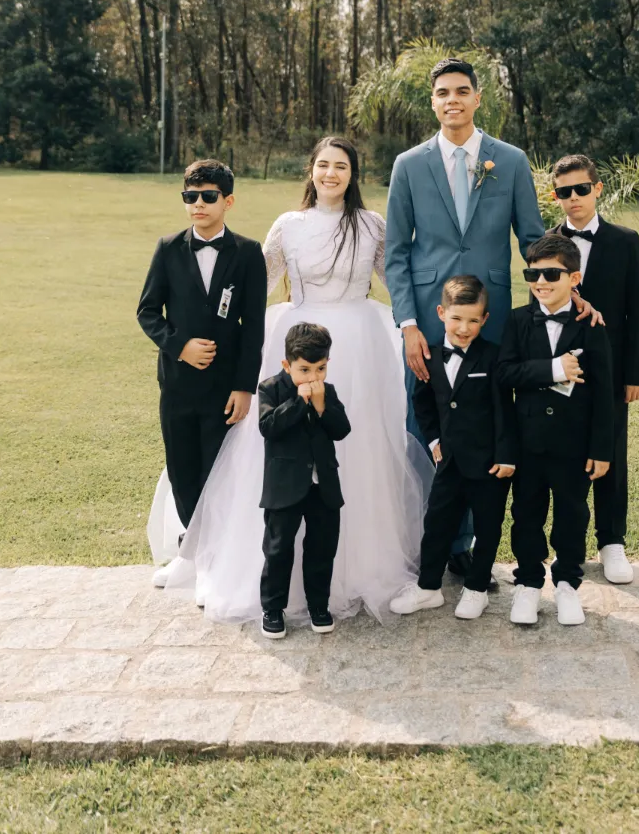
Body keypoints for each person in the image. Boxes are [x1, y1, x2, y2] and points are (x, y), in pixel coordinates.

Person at [149, 136, 432, 624]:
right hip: (295, 334)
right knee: (277, 444)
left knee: (356, 446)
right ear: (311, 170)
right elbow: (251, 283)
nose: (330, 174)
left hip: (359, 342)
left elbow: (397, 277)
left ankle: (358, 560)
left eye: (340, 166)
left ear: (353, 173)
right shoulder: (289, 225)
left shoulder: (370, 225)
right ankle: (232, 559)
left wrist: (421, 320)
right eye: (323, 165)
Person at [385, 57, 544, 582]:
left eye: (461, 91)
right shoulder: (409, 165)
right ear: (432, 102)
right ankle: (438, 535)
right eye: (442, 93)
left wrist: (564, 289)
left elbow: (533, 237)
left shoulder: (511, 161)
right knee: (429, 422)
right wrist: (408, 323)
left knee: (487, 423)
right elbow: (396, 253)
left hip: (490, 318)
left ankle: (475, 544)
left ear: (478, 98)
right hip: (430, 322)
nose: (451, 100)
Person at [138, 158, 267, 587]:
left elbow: (254, 328)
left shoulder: (248, 253)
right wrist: (179, 346)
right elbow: (147, 312)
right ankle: (189, 555)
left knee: (218, 470)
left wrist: (244, 387)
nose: (198, 204)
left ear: (227, 201)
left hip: (224, 388)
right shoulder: (168, 247)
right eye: (190, 197)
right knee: (182, 468)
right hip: (176, 385)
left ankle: (217, 559)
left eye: (208, 197)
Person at [497, 233, 614, 627]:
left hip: (574, 444)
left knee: (572, 515)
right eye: (533, 273)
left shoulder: (591, 324)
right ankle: (528, 584)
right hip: (528, 443)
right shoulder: (516, 320)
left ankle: (567, 584)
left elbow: (603, 391)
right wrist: (551, 370)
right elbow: (504, 374)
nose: (541, 282)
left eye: (551, 273)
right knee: (526, 514)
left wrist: (601, 448)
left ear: (574, 278)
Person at [390, 276, 516, 622]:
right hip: (448, 464)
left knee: (488, 527)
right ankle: (428, 587)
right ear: (442, 313)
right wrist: (433, 443)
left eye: (474, 320)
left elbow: (506, 410)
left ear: (485, 320)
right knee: (437, 523)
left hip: (489, 464)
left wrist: (506, 456)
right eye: (457, 318)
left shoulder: (492, 357)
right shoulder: (429, 355)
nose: (464, 328)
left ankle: (476, 590)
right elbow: (423, 404)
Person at [549, 154, 639, 585]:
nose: (573, 199)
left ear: (597, 189)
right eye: (564, 192)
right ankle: (567, 545)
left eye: (581, 189)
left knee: (611, 452)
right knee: (568, 454)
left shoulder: (625, 241)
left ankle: (612, 542)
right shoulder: (546, 243)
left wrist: (635, 373)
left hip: (610, 369)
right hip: (563, 370)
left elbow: (637, 312)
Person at [259, 323, 351, 639]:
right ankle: (272, 608)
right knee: (278, 548)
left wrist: (322, 404)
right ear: (287, 365)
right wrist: (299, 402)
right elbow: (268, 426)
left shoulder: (329, 392)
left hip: (323, 485)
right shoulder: (271, 388)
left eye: (321, 368)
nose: (313, 377)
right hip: (284, 486)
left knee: (322, 547)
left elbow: (341, 430)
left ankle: (319, 606)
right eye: (305, 369)